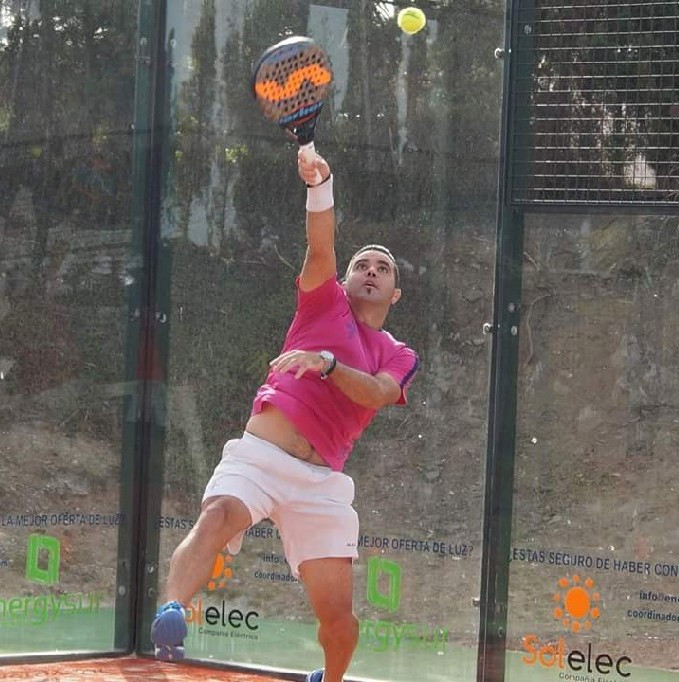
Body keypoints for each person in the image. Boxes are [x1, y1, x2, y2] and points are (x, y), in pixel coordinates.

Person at [150, 149, 420, 682]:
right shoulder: (323, 302)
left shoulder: (399, 353)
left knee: (337, 617)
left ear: (395, 292)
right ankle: (172, 612)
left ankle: (330, 679)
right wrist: (320, 185)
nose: (370, 271)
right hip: (260, 456)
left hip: (321, 484)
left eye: (382, 268)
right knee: (217, 514)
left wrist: (327, 364)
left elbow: (374, 394)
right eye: (361, 265)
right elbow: (320, 245)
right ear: (344, 280)